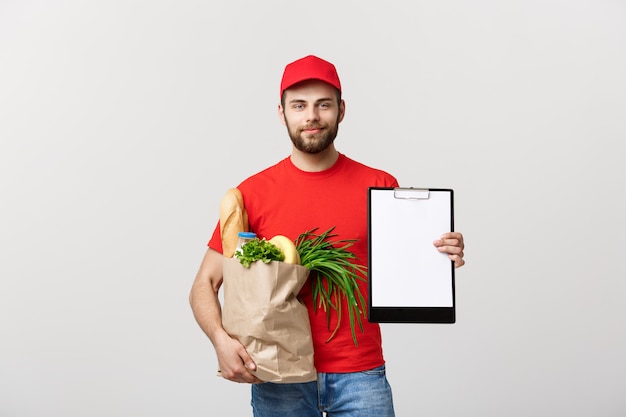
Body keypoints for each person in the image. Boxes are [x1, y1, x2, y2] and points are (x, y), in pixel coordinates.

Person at [189, 55, 466, 417]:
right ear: (281, 113)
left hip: (360, 374)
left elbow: (410, 268)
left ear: (341, 110)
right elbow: (203, 284)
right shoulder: (252, 194)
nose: (312, 117)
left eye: (323, 104)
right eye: (299, 105)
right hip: (279, 375)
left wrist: (443, 257)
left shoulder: (379, 186)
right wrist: (220, 342)